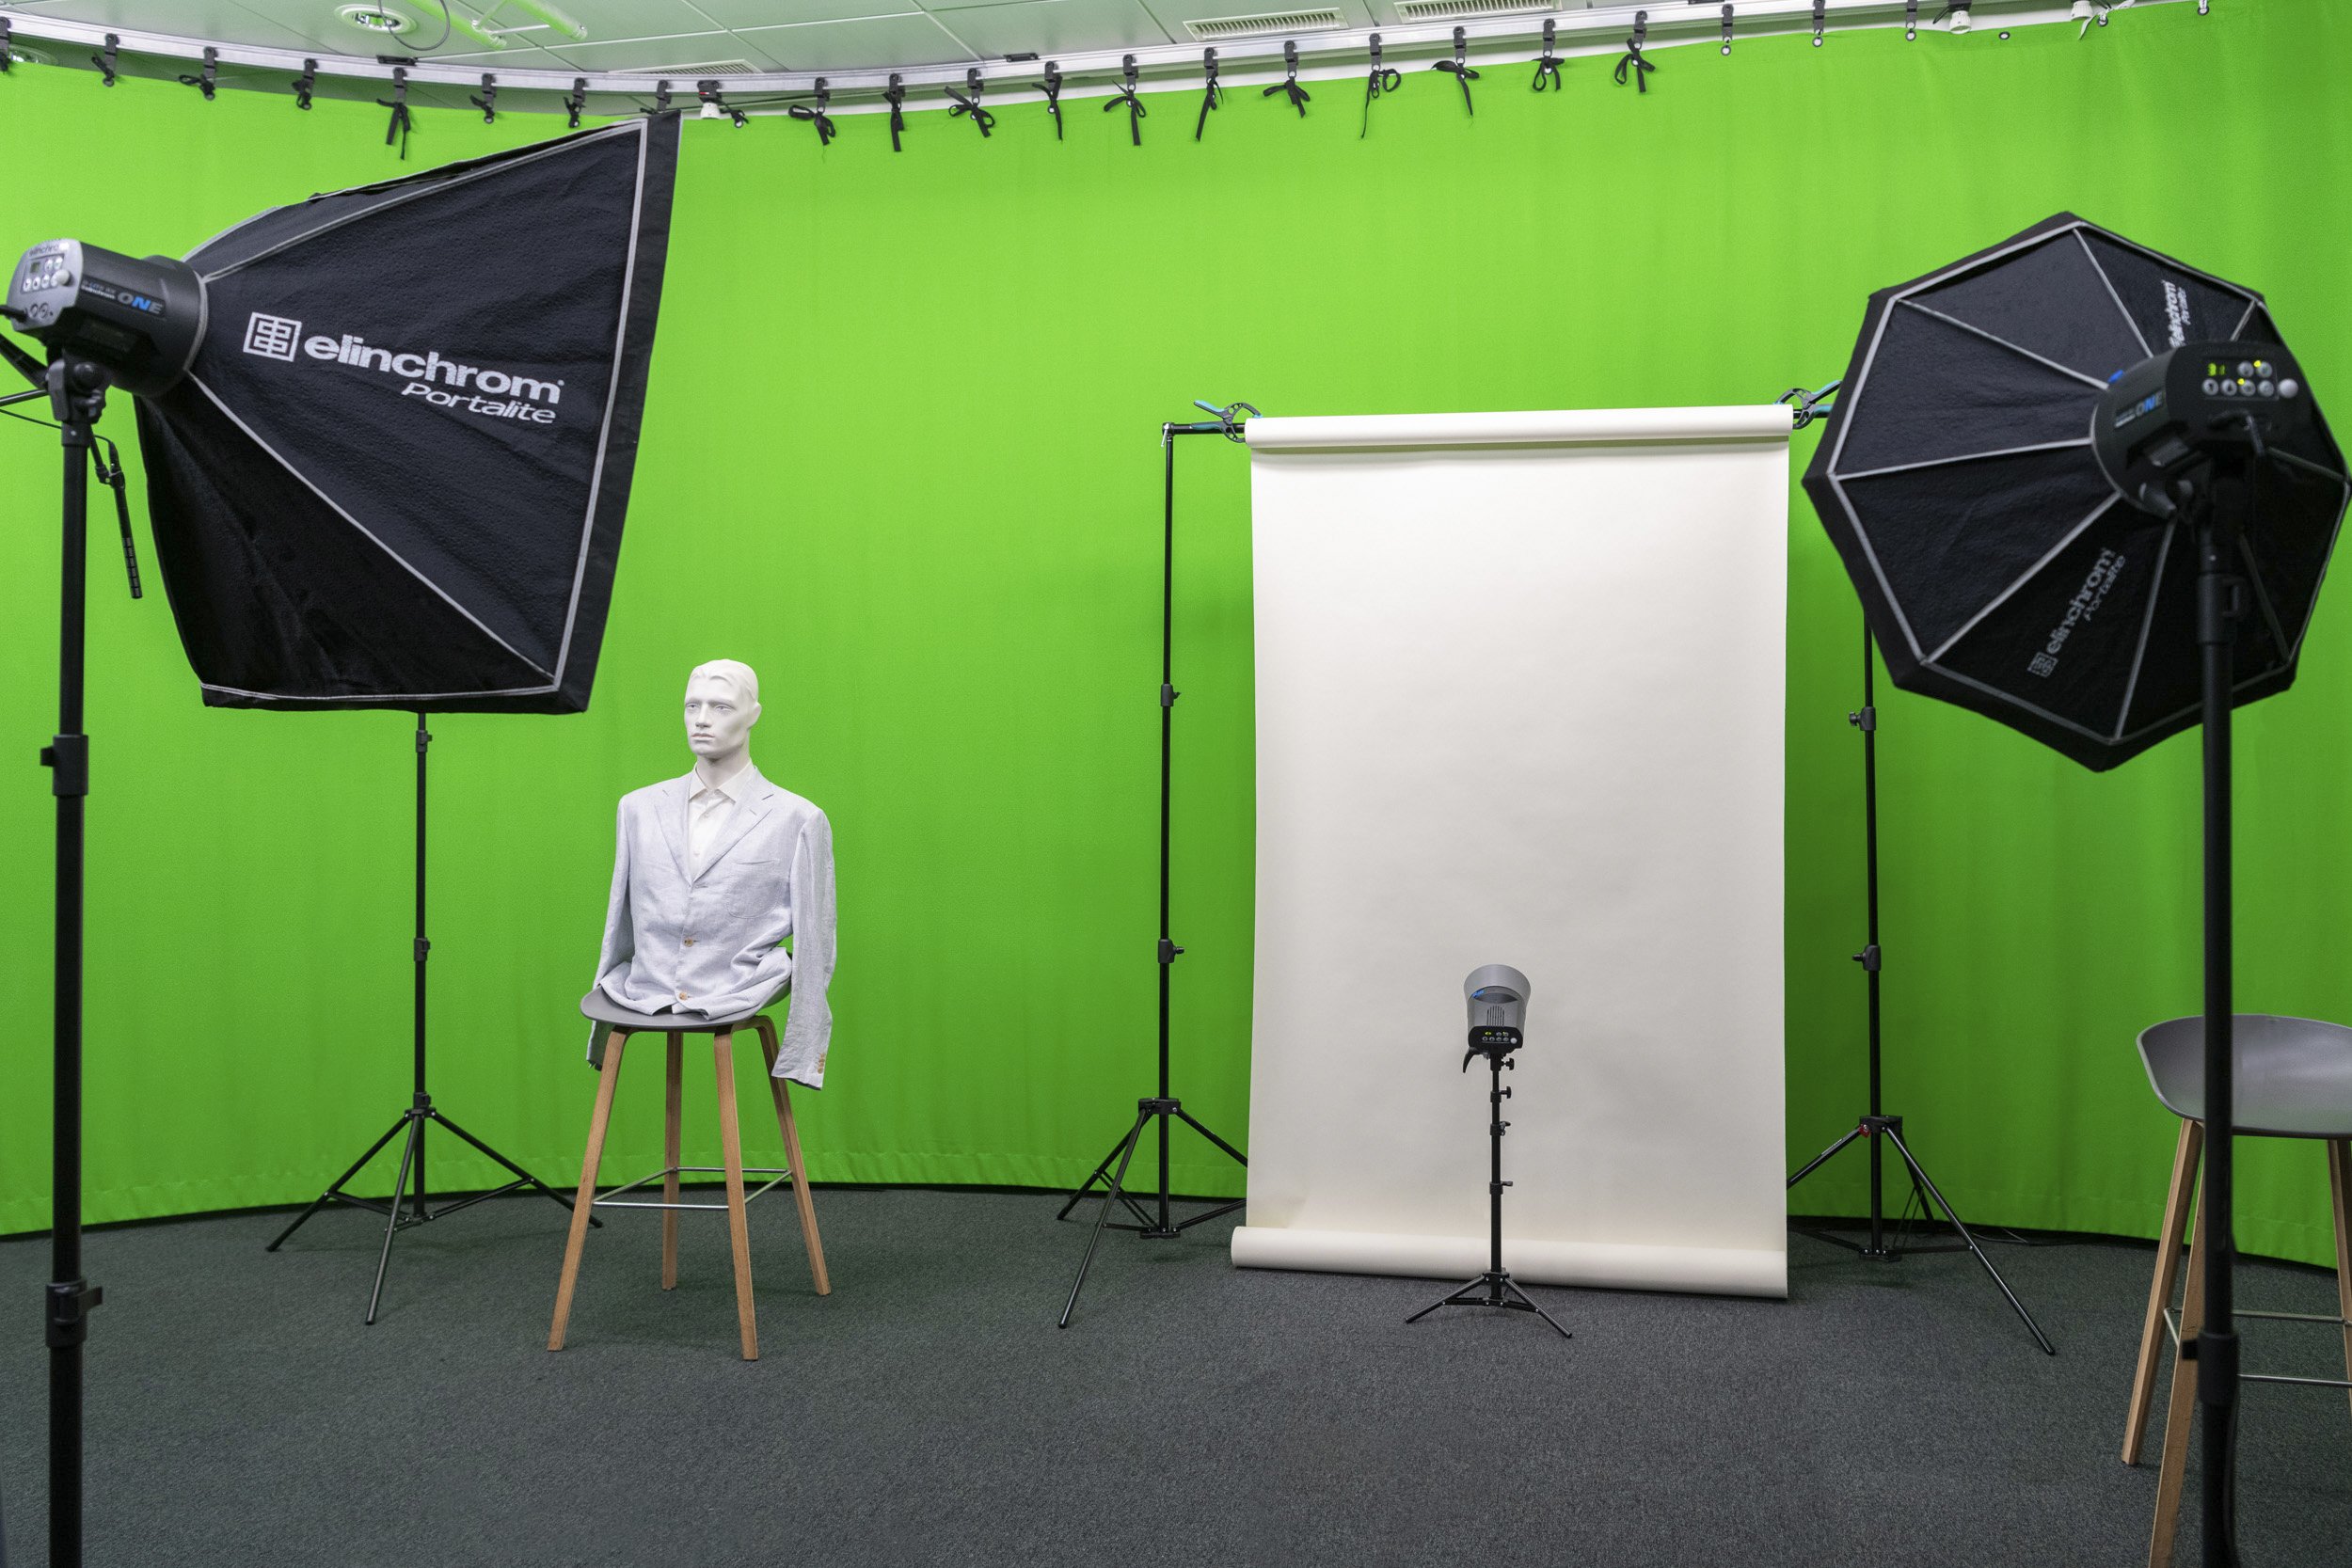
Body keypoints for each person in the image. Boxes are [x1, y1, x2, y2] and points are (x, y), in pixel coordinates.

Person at [586, 659, 835, 1086]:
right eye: (691, 706)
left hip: (737, 989)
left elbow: (816, 944)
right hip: (645, 989)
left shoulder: (798, 819)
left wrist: (804, 1052)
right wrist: (600, 1038)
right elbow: (620, 921)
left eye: (720, 707)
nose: (701, 720)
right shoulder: (637, 808)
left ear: (752, 715)